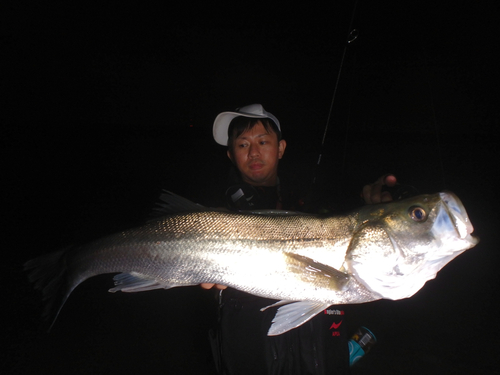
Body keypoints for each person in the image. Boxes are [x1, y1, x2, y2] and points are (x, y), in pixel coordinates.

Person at [202, 104, 396, 375]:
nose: (254, 152)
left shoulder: (313, 206)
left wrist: (386, 199)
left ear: (280, 148)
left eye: (262, 141)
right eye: (243, 144)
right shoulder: (213, 215)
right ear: (230, 155)